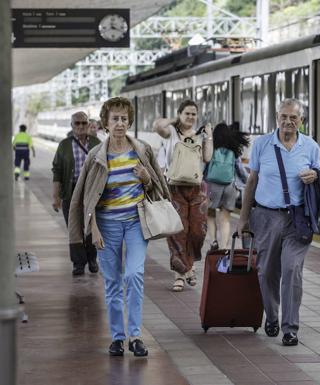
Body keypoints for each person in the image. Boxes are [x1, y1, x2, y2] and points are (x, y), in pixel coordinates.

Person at [68, 97, 168, 357]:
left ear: (129, 121)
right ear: (105, 123)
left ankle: (135, 335)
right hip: (106, 226)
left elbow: (157, 187)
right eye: (115, 119)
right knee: (112, 281)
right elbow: (86, 196)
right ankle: (117, 337)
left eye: (124, 119)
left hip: (136, 222)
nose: (120, 123)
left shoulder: (142, 150)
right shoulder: (96, 156)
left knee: (133, 275)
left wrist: (146, 180)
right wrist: (93, 229)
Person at [237, 98, 320, 346]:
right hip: (265, 216)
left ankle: (290, 328)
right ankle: (271, 316)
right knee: (267, 272)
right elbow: (251, 182)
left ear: (301, 121)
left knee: (291, 269)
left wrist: (315, 175)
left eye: (293, 118)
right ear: (277, 118)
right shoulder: (262, 144)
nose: (288, 122)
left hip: (298, 219)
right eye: (283, 117)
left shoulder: (311, 147)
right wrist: (243, 218)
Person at [153, 100, 211, 292]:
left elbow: (207, 158)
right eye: (187, 113)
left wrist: (209, 137)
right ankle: (181, 274)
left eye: (194, 114)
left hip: (197, 188)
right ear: (179, 114)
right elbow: (157, 125)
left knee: (198, 231)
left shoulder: (201, 135)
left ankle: (189, 265)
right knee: (178, 231)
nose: (191, 117)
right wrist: (174, 120)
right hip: (175, 187)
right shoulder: (171, 133)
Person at [52, 112, 101, 276]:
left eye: (83, 123)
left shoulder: (96, 143)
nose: (80, 126)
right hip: (70, 190)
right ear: (72, 126)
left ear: (88, 124)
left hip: (91, 190)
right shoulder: (64, 145)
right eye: (77, 123)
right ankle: (78, 263)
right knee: (74, 228)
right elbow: (57, 171)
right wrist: (56, 196)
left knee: (91, 226)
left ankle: (92, 259)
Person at [204, 122, 249, 250]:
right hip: (230, 186)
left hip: (212, 186)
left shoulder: (211, 149)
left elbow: (205, 168)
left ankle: (213, 241)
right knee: (225, 219)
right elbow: (240, 170)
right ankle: (224, 248)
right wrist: (248, 182)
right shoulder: (233, 151)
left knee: (210, 214)